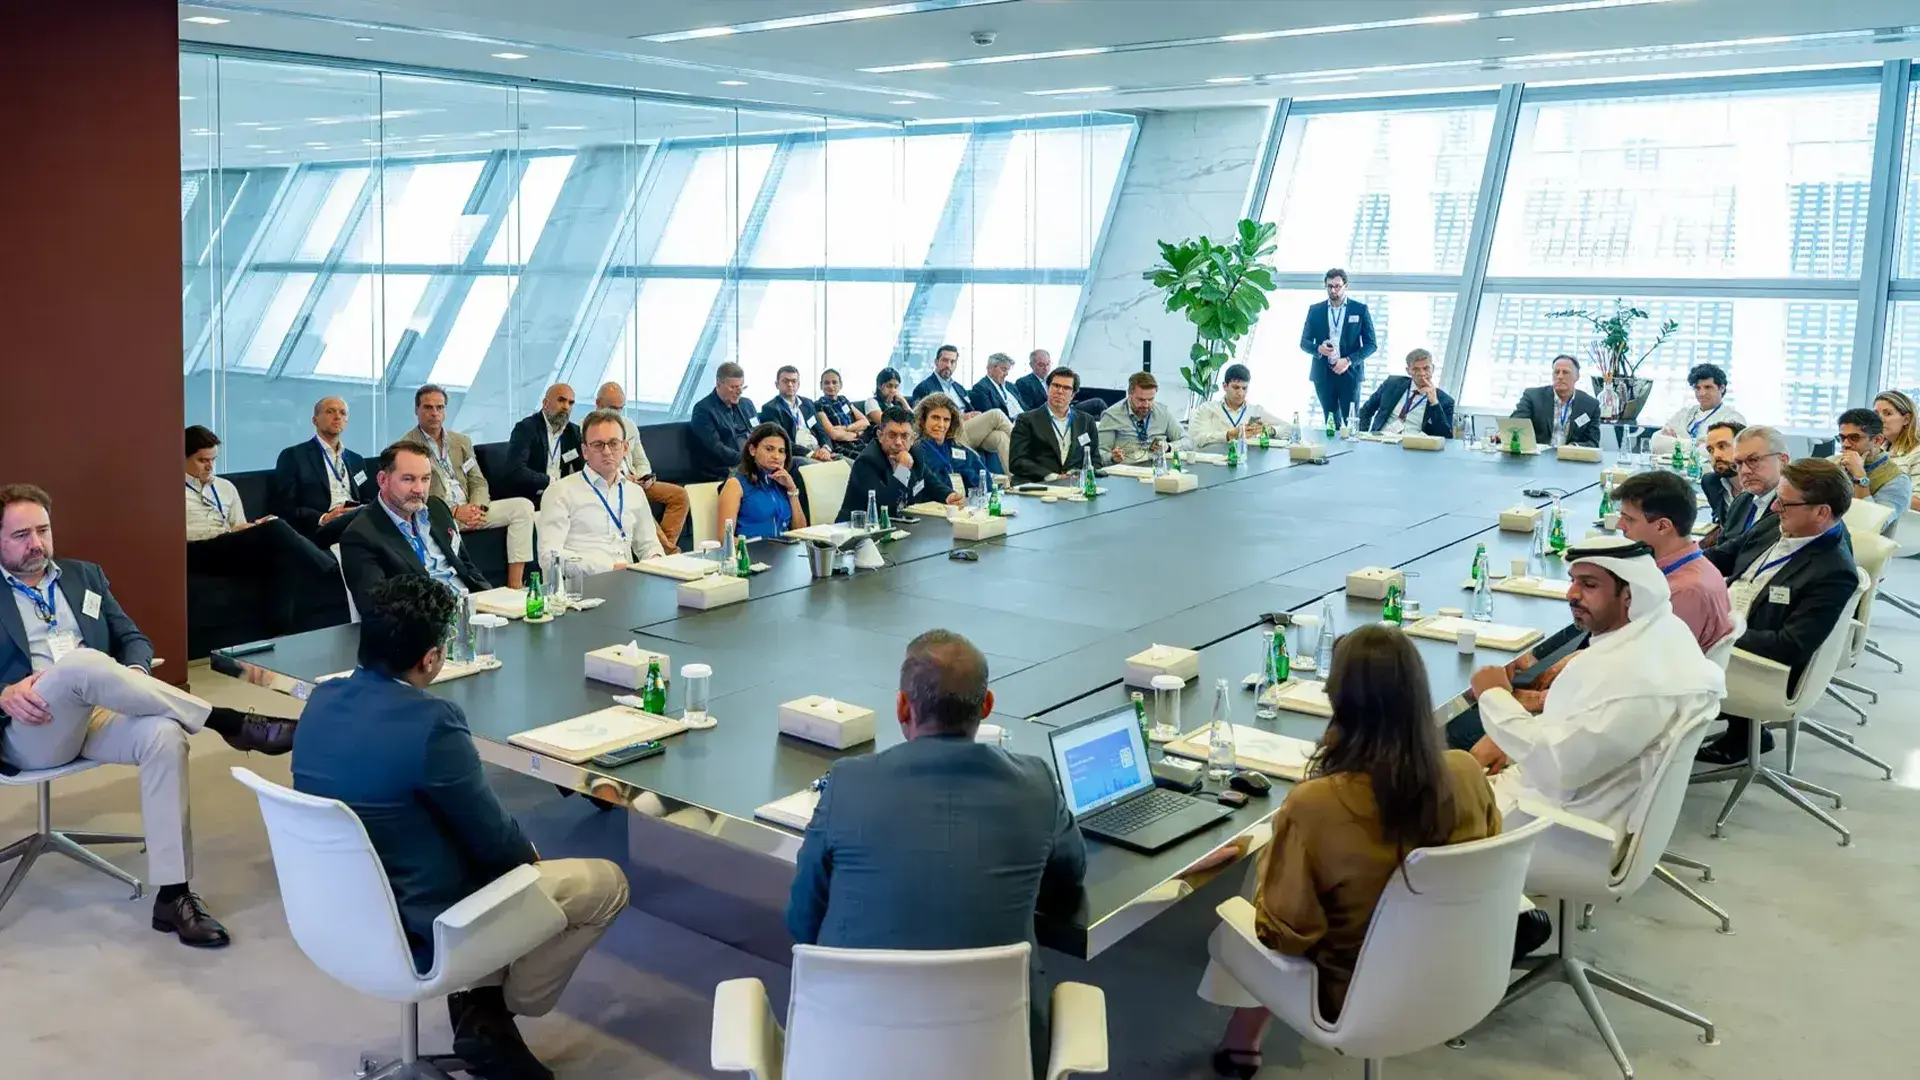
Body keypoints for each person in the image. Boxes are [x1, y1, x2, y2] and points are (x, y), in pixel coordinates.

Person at [293, 575, 630, 1080]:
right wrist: (530, 861)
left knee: (474, 854)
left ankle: (484, 1008)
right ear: (431, 659)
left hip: (335, 910)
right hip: (427, 924)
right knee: (605, 884)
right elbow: (497, 840)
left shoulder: (319, 700)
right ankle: (490, 1010)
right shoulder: (433, 722)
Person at [1201, 626, 1541, 1080]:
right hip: (1465, 976)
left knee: (1238, 916)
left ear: (1337, 700)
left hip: (1353, 996)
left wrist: (1265, 859)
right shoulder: (1465, 772)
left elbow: (1286, 935)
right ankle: (1242, 1039)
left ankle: (1242, 1038)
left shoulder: (1316, 803)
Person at [0, 483, 294, 947]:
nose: (36, 543)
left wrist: (133, 678)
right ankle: (228, 721)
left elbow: (133, 639)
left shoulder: (83, 577)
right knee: (79, 663)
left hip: (97, 712)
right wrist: (3, 694)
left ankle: (173, 896)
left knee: (163, 734)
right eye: (21, 535)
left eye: (43, 530)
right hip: (30, 727)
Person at [787, 630, 1085, 1077]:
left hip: (847, 1051)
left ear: (902, 707)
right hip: (998, 1057)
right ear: (986, 708)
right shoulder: (1037, 785)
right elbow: (1071, 874)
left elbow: (800, 922)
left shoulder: (848, 783)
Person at [1468, 536, 1725, 835]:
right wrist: (1512, 745)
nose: (1572, 594)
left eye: (1589, 585)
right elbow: (1578, 728)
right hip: (1568, 798)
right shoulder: (1659, 634)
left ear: (1629, 594)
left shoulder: (1638, 679)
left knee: (1415, 798)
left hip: (1556, 826)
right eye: (1573, 582)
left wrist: (1494, 697)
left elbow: (1559, 765)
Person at [1696, 459, 1860, 765]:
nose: (1774, 509)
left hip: (1755, 664)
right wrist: (1676, 564)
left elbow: (1789, 646)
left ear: (1821, 512)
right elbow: (1725, 555)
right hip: (1728, 614)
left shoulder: (1833, 571)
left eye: (1784, 504)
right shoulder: (1781, 522)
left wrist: (1718, 631)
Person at [185, 426, 338, 635]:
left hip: (227, 545)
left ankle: (280, 637)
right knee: (276, 527)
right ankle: (330, 568)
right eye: (202, 461)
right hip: (195, 550)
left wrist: (252, 527)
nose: (210, 466)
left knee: (281, 554)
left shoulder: (225, 487)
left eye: (213, 459)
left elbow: (238, 525)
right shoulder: (171, 490)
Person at [338, 440, 491, 618]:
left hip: (473, 611)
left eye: (425, 479)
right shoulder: (361, 535)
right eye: (408, 479)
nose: (419, 489)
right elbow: (375, 608)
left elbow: (466, 566)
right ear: (383, 480)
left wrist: (491, 598)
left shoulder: (437, 508)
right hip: (425, 627)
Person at [408, 385, 537, 588]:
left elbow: (477, 481)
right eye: (428, 407)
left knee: (523, 507)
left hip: (473, 509)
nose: (434, 413)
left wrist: (477, 509)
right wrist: (455, 511)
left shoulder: (461, 441)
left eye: (440, 408)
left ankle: (515, 585)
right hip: (440, 516)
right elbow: (413, 495)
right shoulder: (407, 447)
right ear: (417, 410)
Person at [1611, 471, 1734, 650]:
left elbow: (1649, 660)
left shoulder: (1685, 592)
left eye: (1628, 519)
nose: (1619, 525)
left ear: (1663, 526)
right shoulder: (1689, 566)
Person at [535, 410, 667, 574]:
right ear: (584, 451)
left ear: (625, 448)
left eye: (613, 443)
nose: (606, 451)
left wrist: (654, 560)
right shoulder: (560, 492)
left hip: (628, 584)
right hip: (581, 590)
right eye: (598, 445)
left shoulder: (634, 492)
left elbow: (648, 545)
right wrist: (608, 569)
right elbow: (549, 556)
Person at [593, 381, 691, 554]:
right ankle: (670, 552)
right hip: (612, 485)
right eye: (612, 408)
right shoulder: (588, 429)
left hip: (635, 480)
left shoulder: (628, 425)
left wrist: (642, 477)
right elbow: (595, 465)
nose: (616, 413)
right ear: (598, 405)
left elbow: (642, 460)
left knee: (679, 495)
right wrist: (623, 477)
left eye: (620, 408)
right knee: (639, 503)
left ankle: (661, 550)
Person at [272, 396, 376, 546]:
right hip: (323, 525)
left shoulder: (356, 459)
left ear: (346, 421)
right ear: (315, 420)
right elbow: (286, 507)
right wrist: (324, 517)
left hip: (357, 518)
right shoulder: (294, 456)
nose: (337, 416)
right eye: (330, 411)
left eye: (342, 413)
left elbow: (367, 498)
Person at [837, 406, 961, 522]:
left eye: (904, 436)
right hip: (859, 532)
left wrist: (948, 495)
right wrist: (903, 468)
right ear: (880, 436)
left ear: (912, 439)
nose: (898, 442)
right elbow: (885, 506)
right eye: (892, 435)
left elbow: (930, 482)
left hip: (902, 526)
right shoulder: (867, 462)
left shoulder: (915, 453)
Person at [907, 346, 1016, 470]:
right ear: (936, 362)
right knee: (996, 414)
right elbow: (918, 419)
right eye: (945, 360)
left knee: (1000, 437)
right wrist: (961, 417)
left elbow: (970, 408)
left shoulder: (958, 387)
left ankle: (1016, 482)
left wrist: (974, 414)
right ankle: (1025, 444)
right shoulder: (925, 387)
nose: (948, 365)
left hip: (969, 430)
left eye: (952, 362)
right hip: (950, 431)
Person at [1297, 268, 1376, 428]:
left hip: (1350, 373)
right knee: (1331, 421)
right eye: (1329, 286)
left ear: (1345, 286)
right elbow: (1304, 342)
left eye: (1337, 286)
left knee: (1351, 421)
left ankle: (1353, 453)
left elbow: (1371, 345)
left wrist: (1348, 361)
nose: (1333, 290)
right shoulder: (1315, 310)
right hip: (1323, 374)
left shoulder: (1359, 310)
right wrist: (1318, 349)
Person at [1705, 425, 1791, 563]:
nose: (1744, 471)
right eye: (1738, 463)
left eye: (1753, 460)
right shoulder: (1742, 501)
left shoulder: (1792, 507)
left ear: (1783, 461)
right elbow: (1723, 551)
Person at [1007, 367, 1100, 484]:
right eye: (1056, 386)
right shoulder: (1026, 420)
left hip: (1075, 485)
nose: (1060, 391)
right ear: (1047, 388)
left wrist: (1081, 475)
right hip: (1038, 485)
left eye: (1066, 388)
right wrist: (1052, 476)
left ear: (1073, 394)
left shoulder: (1086, 421)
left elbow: (1095, 459)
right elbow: (1017, 461)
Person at [718, 423, 809, 540]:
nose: (776, 456)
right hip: (753, 554)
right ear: (752, 450)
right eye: (769, 449)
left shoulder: (783, 481)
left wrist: (792, 490)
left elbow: (801, 532)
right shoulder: (735, 484)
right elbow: (724, 539)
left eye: (781, 451)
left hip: (785, 552)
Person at [499, 383, 583, 506]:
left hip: (561, 496)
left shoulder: (573, 432)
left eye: (571, 403)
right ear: (545, 403)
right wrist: (551, 481)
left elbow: (582, 468)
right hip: (531, 496)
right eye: (561, 400)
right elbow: (516, 470)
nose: (566, 407)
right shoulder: (526, 428)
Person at [1834, 406, 1911, 535]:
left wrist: (1859, 476)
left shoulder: (1897, 480)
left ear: (1877, 440)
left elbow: (1870, 526)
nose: (1845, 444)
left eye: (1854, 438)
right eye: (1842, 438)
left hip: (1860, 551)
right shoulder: (1832, 463)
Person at [1354, 348, 1456, 438]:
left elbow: (1445, 437)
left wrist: (1434, 403)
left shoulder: (1445, 401)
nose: (1422, 373)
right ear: (1408, 370)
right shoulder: (1391, 384)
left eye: (1426, 368)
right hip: (1382, 441)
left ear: (1433, 368)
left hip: (1415, 448)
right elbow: (1366, 411)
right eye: (1416, 369)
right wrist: (1363, 436)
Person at [1505, 355, 1601, 448]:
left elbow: (1592, 442)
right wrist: (1501, 436)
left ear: (1577, 377)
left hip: (1571, 458)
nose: (1560, 376)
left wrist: (1573, 447)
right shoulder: (1533, 397)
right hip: (1538, 458)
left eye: (1565, 372)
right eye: (1556, 372)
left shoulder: (1591, 405)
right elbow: (1516, 424)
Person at [1188, 364, 1290, 450]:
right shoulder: (1207, 409)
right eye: (1236, 387)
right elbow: (1196, 439)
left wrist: (1271, 430)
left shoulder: (1255, 411)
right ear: (1225, 386)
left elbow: (1291, 429)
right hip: (1214, 463)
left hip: (1247, 463)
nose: (1240, 393)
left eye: (1244, 388)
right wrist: (1228, 435)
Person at [1097, 371, 1187, 464]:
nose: (1146, 405)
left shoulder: (1163, 412)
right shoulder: (1112, 416)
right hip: (1126, 470)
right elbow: (1098, 454)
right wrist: (1112, 457)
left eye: (1151, 399)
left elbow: (1188, 442)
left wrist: (1168, 447)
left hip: (1157, 468)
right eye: (1141, 400)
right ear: (1130, 395)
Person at [690, 362, 758, 483]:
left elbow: (760, 432)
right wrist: (748, 459)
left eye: (741, 386)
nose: (739, 392)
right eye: (733, 387)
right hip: (724, 468)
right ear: (718, 385)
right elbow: (716, 447)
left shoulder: (747, 404)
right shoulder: (703, 410)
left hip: (752, 459)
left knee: (793, 464)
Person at [757, 364, 836, 465]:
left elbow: (821, 431)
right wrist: (811, 454)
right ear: (777, 384)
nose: (790, 384)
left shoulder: (808, 404)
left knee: (849, 464)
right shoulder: (770, 409)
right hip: (798, 455)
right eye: (785, 381)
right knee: (820, 469)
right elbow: (782, 441)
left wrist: (825, 448)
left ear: (798, 384)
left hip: (820, 452)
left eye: (794, 381)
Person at [915, 393, 992, 494]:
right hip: (930, 506)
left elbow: (988, 483)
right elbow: (902, 486)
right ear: (922, 420)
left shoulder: (959, 448)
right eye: (935, 418)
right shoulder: (912, 449)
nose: (941, 425)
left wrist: (965, 475)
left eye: (946, 420)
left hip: (964, 504)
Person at [1658, 363, 1743, 443]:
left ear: (1722, 388)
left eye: (1708, 387)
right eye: (1697, 388)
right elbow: (1657, 441)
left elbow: (1719, 450)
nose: (1702, 393)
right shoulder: (1684, 414)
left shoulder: (1733, 419)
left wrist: (1677, 443)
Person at [1872, 390, 1920, 511]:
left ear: (1906, 419)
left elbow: (1918, 501)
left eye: (1887, 414)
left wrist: (1877, 494)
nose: (1879, 419)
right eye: (1876, 414)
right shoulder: (1881, 449)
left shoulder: (1917, 453)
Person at [1699, 420, 1745, 528]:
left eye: (1722, 446)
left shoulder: (1764, 488)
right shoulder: (1710, 483)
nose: (1716, 455)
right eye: (1710, 450)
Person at [814, 368, 869, 456]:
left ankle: (899, 470)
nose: (831, 386)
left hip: (859, 441)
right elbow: (833, 434)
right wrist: (856, 433)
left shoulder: (843, 400)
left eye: (834, 382)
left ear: (840, 385)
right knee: (868, 459)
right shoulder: (818, 405)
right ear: (821, 386)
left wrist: (846, 428)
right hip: (841, 446)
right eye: (826, 383)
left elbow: (865, 421)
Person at [970, 352, 1030, 418]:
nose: (1006, 373)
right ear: (990, 368)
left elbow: (1025, 408)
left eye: (1008, 370)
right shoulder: (981, 388)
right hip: (1009, 424)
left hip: (1026, 420)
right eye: (1003, 369)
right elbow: (991, 417)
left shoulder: (1011, 386)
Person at [1012, 348, 1053, 413]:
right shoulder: (1023, 383)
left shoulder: (1054, 380)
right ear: (1031, 365)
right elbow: (1028, 409)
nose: (1046, 368)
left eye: (1048, 364)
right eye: (1041, 365)